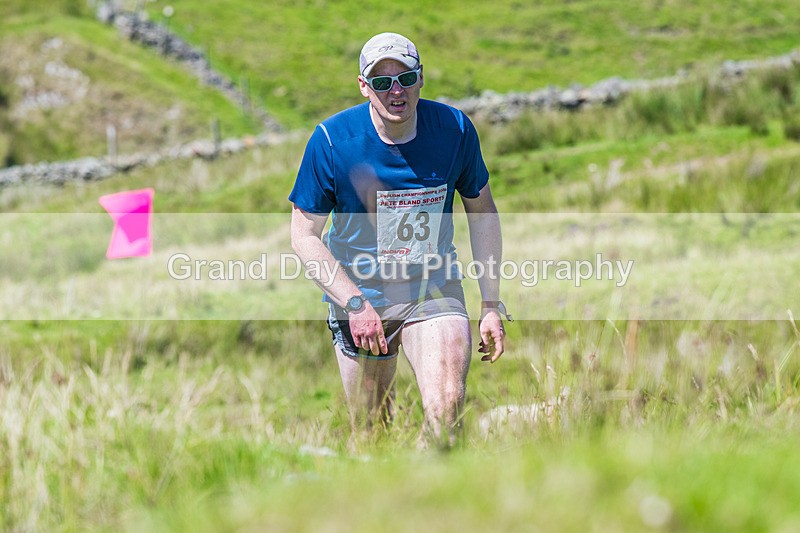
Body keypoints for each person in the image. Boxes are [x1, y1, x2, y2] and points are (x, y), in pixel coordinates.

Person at [289, 32, 509, 444]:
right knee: (374, 434)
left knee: (447, 406)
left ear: (421, 79)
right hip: (361, 295)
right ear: (363, 86)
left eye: (405, 79)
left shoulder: (454, 130)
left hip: (433, 288)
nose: (396, 91)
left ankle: (432, 491)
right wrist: (354, 303)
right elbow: (303, 235)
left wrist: (491, 303)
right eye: (381, 82)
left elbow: (482, 212)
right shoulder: (333, 141)